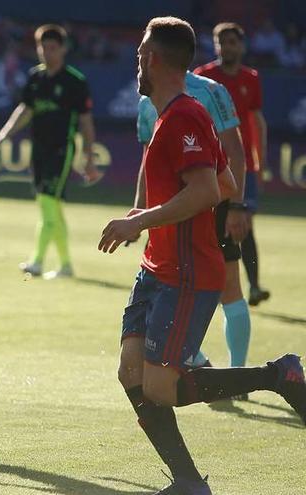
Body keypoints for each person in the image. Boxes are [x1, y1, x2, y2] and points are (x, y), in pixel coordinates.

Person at [100, 18, 305, 494]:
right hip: (158, 266)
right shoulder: (176, 114)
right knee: (131, 372)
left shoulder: (186, 116)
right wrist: (151, 214)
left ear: (154, 59)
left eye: (140, 54)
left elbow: (209, 189)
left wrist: (141, 220)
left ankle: (278, 374)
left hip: (186, 273)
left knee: (161, 388)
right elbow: (226, 184)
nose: (136, 61)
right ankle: (190, 482)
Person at [135, 71, 254, 386]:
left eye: (145, 52)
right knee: (170, 285)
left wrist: (239, 205)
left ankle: (238, 375)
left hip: (213, 204)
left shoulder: (211, 91)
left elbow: (235, 152)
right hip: (169, 213)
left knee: (230, 288)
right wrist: (139, 209)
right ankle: (195, 359)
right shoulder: (148, 97)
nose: (141, 60)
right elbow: (147, 157)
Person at [0, 24, 100, 280]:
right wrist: (6, 133)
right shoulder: (35, 78)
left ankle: (37, 261)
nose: (47, 52)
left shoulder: (74, 81)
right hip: (39, 150)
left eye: (53, 48)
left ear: (63, 49)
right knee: (52, 208)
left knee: (47, 205)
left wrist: (88, 158)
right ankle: (65, 266)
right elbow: (25, 109)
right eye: (43, 47)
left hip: (61, 150)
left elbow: (86, 123)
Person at [194, 23, 270, 306]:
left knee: (244, 224)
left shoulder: (251, 78)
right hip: (211, 164)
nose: (227, 47)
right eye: (222, 42)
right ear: (215, 45)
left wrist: (260, 162)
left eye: (232, 42)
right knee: (210, 225)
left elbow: (258, 122)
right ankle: (211, 285)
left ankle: (253, 286)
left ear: (242, 46)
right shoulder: (203, 78)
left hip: (243, 165)